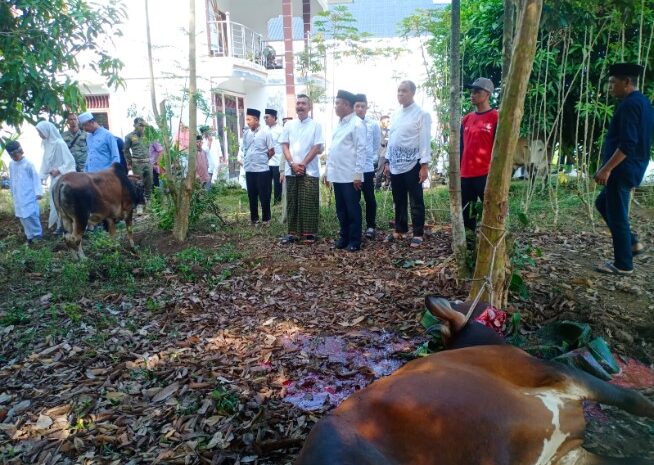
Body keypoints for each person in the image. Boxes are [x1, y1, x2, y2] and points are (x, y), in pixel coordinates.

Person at [594, 63, 653, 275]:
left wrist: (606, 169)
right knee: (602, 203)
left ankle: (623, 264)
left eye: (613, 83)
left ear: (627, 82)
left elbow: (627, 144)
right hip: (633, 166)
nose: (610, 87)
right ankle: (633, 243)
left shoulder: (629, 105)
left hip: (622, 168)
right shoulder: (643, 102)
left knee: (617, 215)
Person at [383, 80, 432, 248]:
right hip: (396, 163)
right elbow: (392, 139)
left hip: (413, 164)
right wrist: (388, 161)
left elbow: (425, 140)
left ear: (412, 93)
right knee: (399, 198)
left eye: (404, 91)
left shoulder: (421, 114)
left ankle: (418, 232)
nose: (400, 94)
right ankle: (400, 229)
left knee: (416, 199)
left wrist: (424, 165)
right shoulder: (395, 114)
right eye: (398, 91)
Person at [279, 95, 325, 244]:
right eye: (298, 103)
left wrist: (303, 163)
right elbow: (284, 145)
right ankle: (292, 234)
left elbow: (317, 146)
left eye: (303, 103)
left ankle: (309, 234)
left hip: (310, 170)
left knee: (308, 202)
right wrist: (292, 163)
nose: (300, 106)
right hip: (291, 168)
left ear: (309, 107)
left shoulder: (316, 125)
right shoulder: (289, 125)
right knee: (293, 201)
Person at [326, 90, 367, 252]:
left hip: (351, 176)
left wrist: (358, 174)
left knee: (352, 209)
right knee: (341, 209)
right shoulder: (340, 124)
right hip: (337, 175)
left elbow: (361, 150)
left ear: (347, 105)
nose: (335, 106)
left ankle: (355, 240)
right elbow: (333, 150)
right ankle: (344, 236)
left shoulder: (357, 123)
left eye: (338, 103)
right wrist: (327, 171)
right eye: (335, 103)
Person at [460, 77, 498, 232]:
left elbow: (499, 147)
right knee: (467, 211)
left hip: (485, 173)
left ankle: (491, 242)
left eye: (477, 91)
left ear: (487, 94)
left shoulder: (496, 117)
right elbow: (461, 146)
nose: (472, 94)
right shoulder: (467, 118)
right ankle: (469, 244)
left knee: (490, 210)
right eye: (471, 91)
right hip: (466, 174)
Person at [36, 120, 76, 231]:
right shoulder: (46, 144)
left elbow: (70, 162)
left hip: (63, 179)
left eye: (40, 132)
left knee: (63, 202)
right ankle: (59, 225)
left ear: (47, 131)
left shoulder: (60, 143)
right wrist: (41, 177)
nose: (39, 135)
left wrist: (59, 170)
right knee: (55, 202)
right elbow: (45, 162)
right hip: (54, 180)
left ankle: (66, 226)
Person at [354, 94, 381, 239]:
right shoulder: (350, 124)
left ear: (366, 107)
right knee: (354, 198)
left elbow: (376, 143)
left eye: (362, 106)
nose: (359, 109)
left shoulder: (373, 124)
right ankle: (356, 226)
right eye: (357, 106)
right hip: (353, 169)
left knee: (369, 197)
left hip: (368, 168)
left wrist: (372, 160)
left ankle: (371, 226)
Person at [242, 108, 274, 225]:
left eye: (249, 119)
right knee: (252, 195)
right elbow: (245, 149)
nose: (247, 122)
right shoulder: (246, 133)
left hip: (262, 170)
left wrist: (262, 160)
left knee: (264, 196)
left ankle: (266, 219)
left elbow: (271, 151)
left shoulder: (266, 132)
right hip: (249, 169)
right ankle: (254, 219)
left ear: (256, 120)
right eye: (247, 119)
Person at [6, 141, 43, 243]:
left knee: (31, 215)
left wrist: (38, 192)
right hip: (18, 195)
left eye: (15, 155)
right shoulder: (11, 164)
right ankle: (29, 236)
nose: (14, 157)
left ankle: (37, 235)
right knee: (22, 217)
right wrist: (13, 192)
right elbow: (12, 179)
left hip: (29, 194)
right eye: (12, 156)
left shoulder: (28, 164)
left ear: (20, 151)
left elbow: (35, 178)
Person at [124, 117, 153, 198]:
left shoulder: (148, 136)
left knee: (149, 183)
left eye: (143, 125)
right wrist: (129, 163)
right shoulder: (129, 136)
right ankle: (139, 204)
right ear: (134, 125)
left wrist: (153, 161)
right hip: (137, 164)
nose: (142, 127)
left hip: (148, 163)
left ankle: (149, 203)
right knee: (138, 184)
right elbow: (126, 150)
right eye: (140, 125)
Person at [264, 108, 284, 204]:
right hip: (267, 162)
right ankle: (266, 202)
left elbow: (285, 147)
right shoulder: (264, 130)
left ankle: (277, 203)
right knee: (266, 184)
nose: (265, 119)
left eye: (267, 117)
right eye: (264, 117)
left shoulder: (281, 130)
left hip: (277, 162)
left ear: (274, 118)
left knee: (277, 184)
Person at [375, 115, 390, 188]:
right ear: (381, 121)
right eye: (386, 121)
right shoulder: (377, 130)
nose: (388, 123)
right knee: (380, 171)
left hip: (390, 153)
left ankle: (388, 186)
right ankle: (377, 186)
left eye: (388, 121)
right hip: (381, 153)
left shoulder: (389, 131)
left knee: (390, 170)